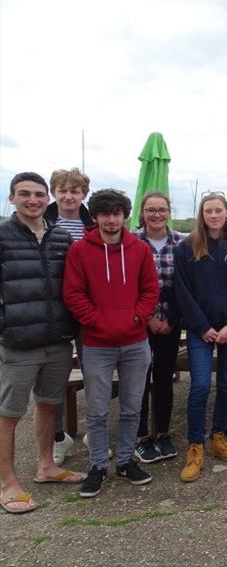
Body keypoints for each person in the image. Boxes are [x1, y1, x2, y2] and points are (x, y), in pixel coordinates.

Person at [63, 189, 159, 498]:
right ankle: (97, 466)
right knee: (97, 409)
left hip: (135, 341)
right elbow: (73, 294)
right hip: (96, 343)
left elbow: (150, 291)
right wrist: (98, 321)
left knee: (132, 407)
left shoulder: (140, 249)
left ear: (125, 216)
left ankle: (124, 460)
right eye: (105, 214)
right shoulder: (80, 251)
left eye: (117, 213)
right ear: (96, 217)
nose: (111, 219)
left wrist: (134, 318)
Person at [0, 172, 84, 514]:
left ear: (46, 197)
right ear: (12, 198)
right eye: (24, 194)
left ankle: (46, 465)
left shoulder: (61, 238)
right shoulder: (3, 237)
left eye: (38, 194)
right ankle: (7, 481)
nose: (32, 200)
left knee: (49, 404)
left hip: (57, 338)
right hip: (18, 341)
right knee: (9, 413)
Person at [174, 193, 227, 483]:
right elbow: (182, 293)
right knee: (198, 386)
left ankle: (218, 437)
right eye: (208, 211)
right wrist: (202, 327)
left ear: (226, 214)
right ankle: (195, 445)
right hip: (200, 330)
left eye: (218, 210)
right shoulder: (187, 248)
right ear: (202, 214)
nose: (213, 215)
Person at [44, 168, 93, 465]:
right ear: (54, 193)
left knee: (94, 373)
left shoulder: (93, 224)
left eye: (74, 191)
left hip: (88, 310)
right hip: (54, 310)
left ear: (83, 195)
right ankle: (58, 438)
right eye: (62, 190)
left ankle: (94, 434)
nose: (68, 196)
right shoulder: (42, 223)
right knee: (56, 378)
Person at [133, 192, 184, 464]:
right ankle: (140, 436)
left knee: (164, 378)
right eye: (151, 210)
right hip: (139, 321)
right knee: (139, 379)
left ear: (169, 211)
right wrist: (148, 317)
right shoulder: (131, 241)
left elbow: (186, 285)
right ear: (143, 212)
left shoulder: (181, 242)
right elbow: (127, 285)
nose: (156, 215)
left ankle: (162, 433)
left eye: (162, 210)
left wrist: (171, 319)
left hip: (171, 320)